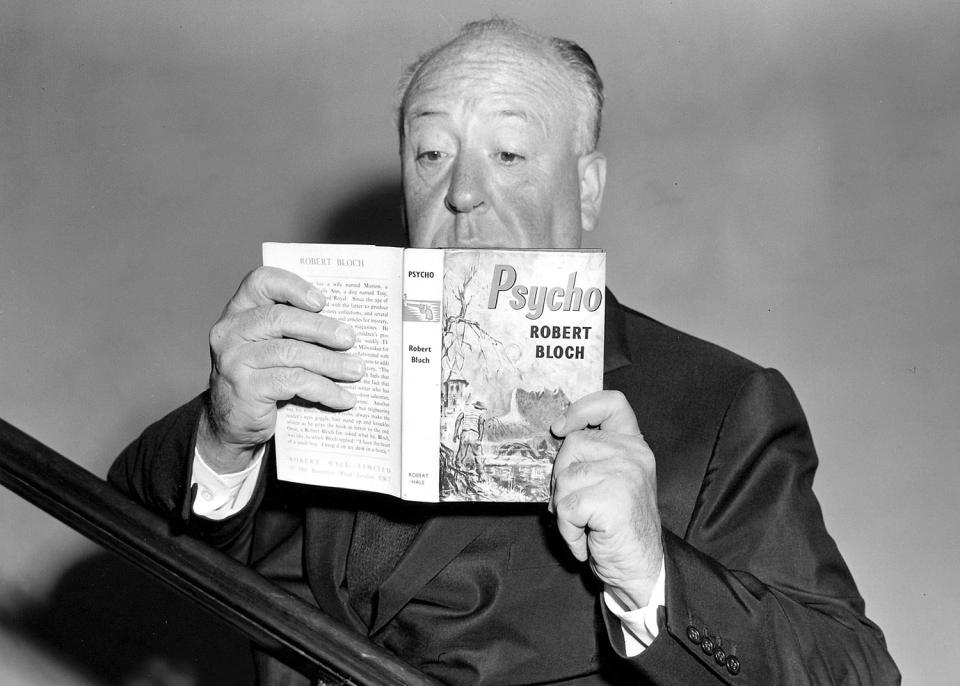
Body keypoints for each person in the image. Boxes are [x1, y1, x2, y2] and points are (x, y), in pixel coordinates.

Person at [110, 18, 900, 685]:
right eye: (430, 154)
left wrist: (653, 575)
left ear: (586, 188)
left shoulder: (721, 405)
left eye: (510, 155)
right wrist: (222, 441)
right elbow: (127, 531)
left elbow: (856, 670)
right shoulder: (317, 349)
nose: (460, 191)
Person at [453, 400, 487, 480]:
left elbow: (458, 419)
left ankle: (457, 473)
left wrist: (455, 432)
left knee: (461, 454)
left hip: (464, 434)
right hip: (474, 434)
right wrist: (480, 437)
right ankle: (481, 475)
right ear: (481, 408)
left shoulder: (466, 411)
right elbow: (481, 424)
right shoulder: (480, 413)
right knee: (478, 455)